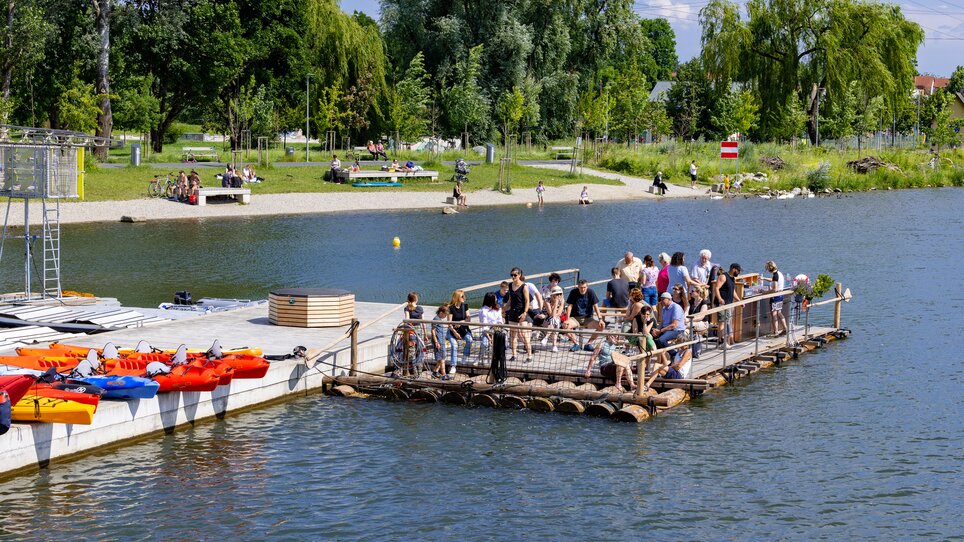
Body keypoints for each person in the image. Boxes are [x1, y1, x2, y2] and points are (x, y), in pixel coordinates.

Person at [563, 279, 605, 351]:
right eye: (581, 287)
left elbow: (596, 307)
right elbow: (569, 307)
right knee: (565, 325)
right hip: (575, 318)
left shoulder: (591, 292)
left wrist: (600, 319)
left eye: (584, 287)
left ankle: (588, 344)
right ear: (578, 287)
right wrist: (567, 320)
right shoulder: (573, 292)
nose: (583, 289)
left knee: (602, 326)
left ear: (587, 287)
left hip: (588, 318)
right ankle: (576, 344)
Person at [504, 267, 533, 363]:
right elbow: (510, 300)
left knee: (525, 335)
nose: (513, 277)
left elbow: (527, 300)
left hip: (521, 312)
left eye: (515, 275)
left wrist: (525, 313)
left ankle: (529, 355)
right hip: (512, 312)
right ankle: (514, 354)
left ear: (519, 275)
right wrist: (502, 310)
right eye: (511, 275)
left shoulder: (524, 286)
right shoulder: (510, 285)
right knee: (513, 335)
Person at [713, 263, 743, 346]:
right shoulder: (723, 277)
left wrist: (739, 301)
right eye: (738, 271)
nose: (739, 273)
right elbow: (716, 288)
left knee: (728, 321)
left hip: (729, 304)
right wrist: (720, 299)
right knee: (722, 322)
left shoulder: (732, 278)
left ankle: (727, 341)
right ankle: (721, 341)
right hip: (722, 304)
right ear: (733, 269)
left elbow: (732, 291)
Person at [446, 289, 473, 374]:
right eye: (462, 296)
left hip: (463, 330)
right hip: (452, 331)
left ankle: (465, 355)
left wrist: (461, 322)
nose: (464, 298)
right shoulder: (451, 308)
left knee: (469, 340)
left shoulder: (465, 306)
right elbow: (449, 323)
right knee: (454, 346)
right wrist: (455, 332)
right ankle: (453, 365)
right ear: (457, 297)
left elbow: (469, 318)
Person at [763, 260, 788, 337]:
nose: (767, 270)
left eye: (767, 269)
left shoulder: (775, 275)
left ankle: (776, 332)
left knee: (774, 314)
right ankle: (785, 329)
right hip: (781, 295)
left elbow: (775, 289)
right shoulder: (779, 273)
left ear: (770, 268)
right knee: (779, 313)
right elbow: (774, 281)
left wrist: (765, 292)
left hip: (776, 296)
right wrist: (763, 278)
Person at [478, 292, 505, 361]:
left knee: (503, 342)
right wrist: (489, 338)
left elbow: (500, 320)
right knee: (485, 344)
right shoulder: (483, 310)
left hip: (497, 330)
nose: (496, 299)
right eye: (495, 298)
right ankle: (479, 357)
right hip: (487, 331)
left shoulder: (498, 308)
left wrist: (498, 327)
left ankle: (498, 358)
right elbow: (484, 325)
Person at [688, 286, 710, 357]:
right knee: (685, 328)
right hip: (691, 322)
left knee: (686, 326)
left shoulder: (704, 302)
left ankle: (691, 351)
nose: (691, 293)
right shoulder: (691, 302)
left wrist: (688, 320)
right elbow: (686, 311)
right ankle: (688, 351)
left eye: (692, 291)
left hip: (703, 323)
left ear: (698, 293)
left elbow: (701, 317)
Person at [431, 305, 450, 380]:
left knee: (441, 357)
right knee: (442, 358)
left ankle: (435, 372)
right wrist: (436, 341)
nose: (445, 316)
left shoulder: (439, 319)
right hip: (438, 341)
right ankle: (443, 374)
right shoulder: (436, 319)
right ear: (441, 312)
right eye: (445, 315)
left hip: (442, 341)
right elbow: (433, 330)